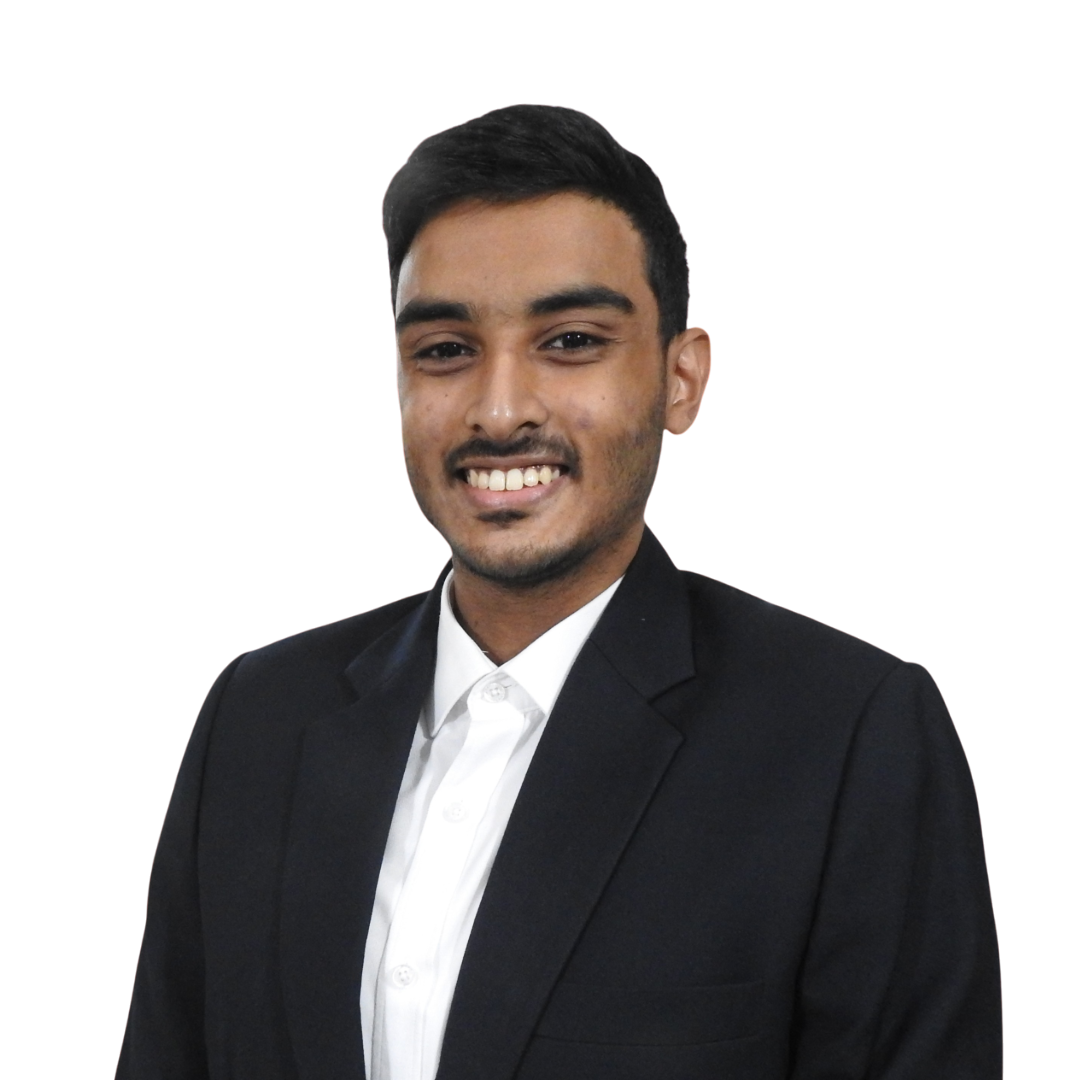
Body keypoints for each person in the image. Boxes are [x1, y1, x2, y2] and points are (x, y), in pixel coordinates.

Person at [116, 105, 1001, 1080]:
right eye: (445, 350)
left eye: (571, 340)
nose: (500, 411)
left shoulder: (848, 741)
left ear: (679, 378)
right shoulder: (259, 721)